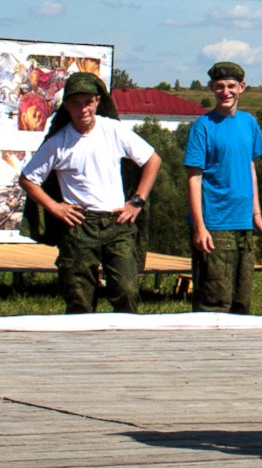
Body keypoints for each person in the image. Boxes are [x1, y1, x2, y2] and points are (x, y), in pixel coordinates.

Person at [20, 72, 161, 313]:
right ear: (66, 106)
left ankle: (129, 345)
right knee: (79, 297)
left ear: (97, 101)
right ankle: (79, 348)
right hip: (80, 225)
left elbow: (152, 160)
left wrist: (137, 201)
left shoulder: (114, 130)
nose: (83, 109)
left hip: (117, 221)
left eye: (88, 102)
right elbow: (27, 179)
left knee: (127, 291)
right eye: (76, 103)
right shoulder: (58, 141)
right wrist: (54, 207)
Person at [184, 60, 262, 315]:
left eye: (231, 86)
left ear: (242, 87)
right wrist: (199, 227)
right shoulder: (202, 127)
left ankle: (238, 353)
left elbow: (250, 168)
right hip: (215, 225)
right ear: (212, 88)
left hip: (244, 225)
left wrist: (257, 216)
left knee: (242, 302)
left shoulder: (249, 122)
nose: (226, 92)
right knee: (214, 302)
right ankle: (208, 352)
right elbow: (194, 177)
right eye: (220, 87)